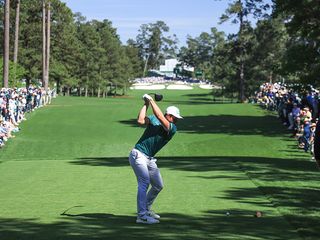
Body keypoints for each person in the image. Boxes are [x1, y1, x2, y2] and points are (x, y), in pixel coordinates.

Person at [128, 94, 183, 224]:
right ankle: (141, 216)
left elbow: (159, 116)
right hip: (138, 154)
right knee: (144, 182)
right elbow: (140, 120)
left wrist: (151, 101)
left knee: (158, 185)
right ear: (169, 115)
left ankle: (146, 209)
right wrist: (146, 104)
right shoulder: (154, 119)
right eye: (175, 119)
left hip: (149, 158)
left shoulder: (172, 128)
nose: (176, 121)